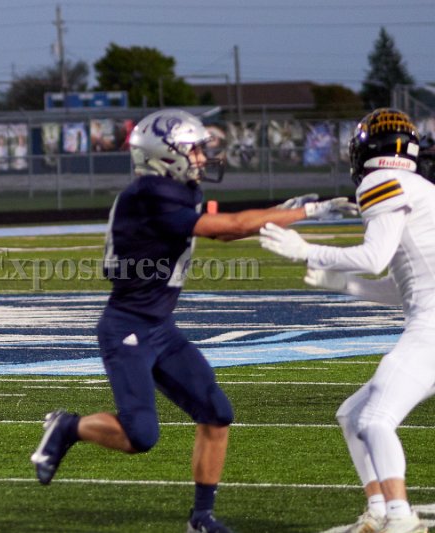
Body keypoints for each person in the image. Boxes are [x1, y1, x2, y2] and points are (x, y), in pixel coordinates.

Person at [30, 109, 356, 533]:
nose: (202, 156)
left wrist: (279, 211)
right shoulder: (150, 193)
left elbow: (224, 231)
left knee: (216, 413)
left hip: (159, 327)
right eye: (194, 149)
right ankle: (68, 426)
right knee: (140, 435)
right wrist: (310, 211)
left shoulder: (177, 189)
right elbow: (229, 223)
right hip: (128, 325)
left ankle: (201, 518)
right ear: (165, 154)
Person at [259, 108, 432, 533]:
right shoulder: (422, 188)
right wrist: (341, 283)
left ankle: (400, 517)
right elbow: (403, 288)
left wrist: (307, 251)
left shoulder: (381, 181)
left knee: (374, 419)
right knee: (353, 415)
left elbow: (373, 258)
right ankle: (378, 510)